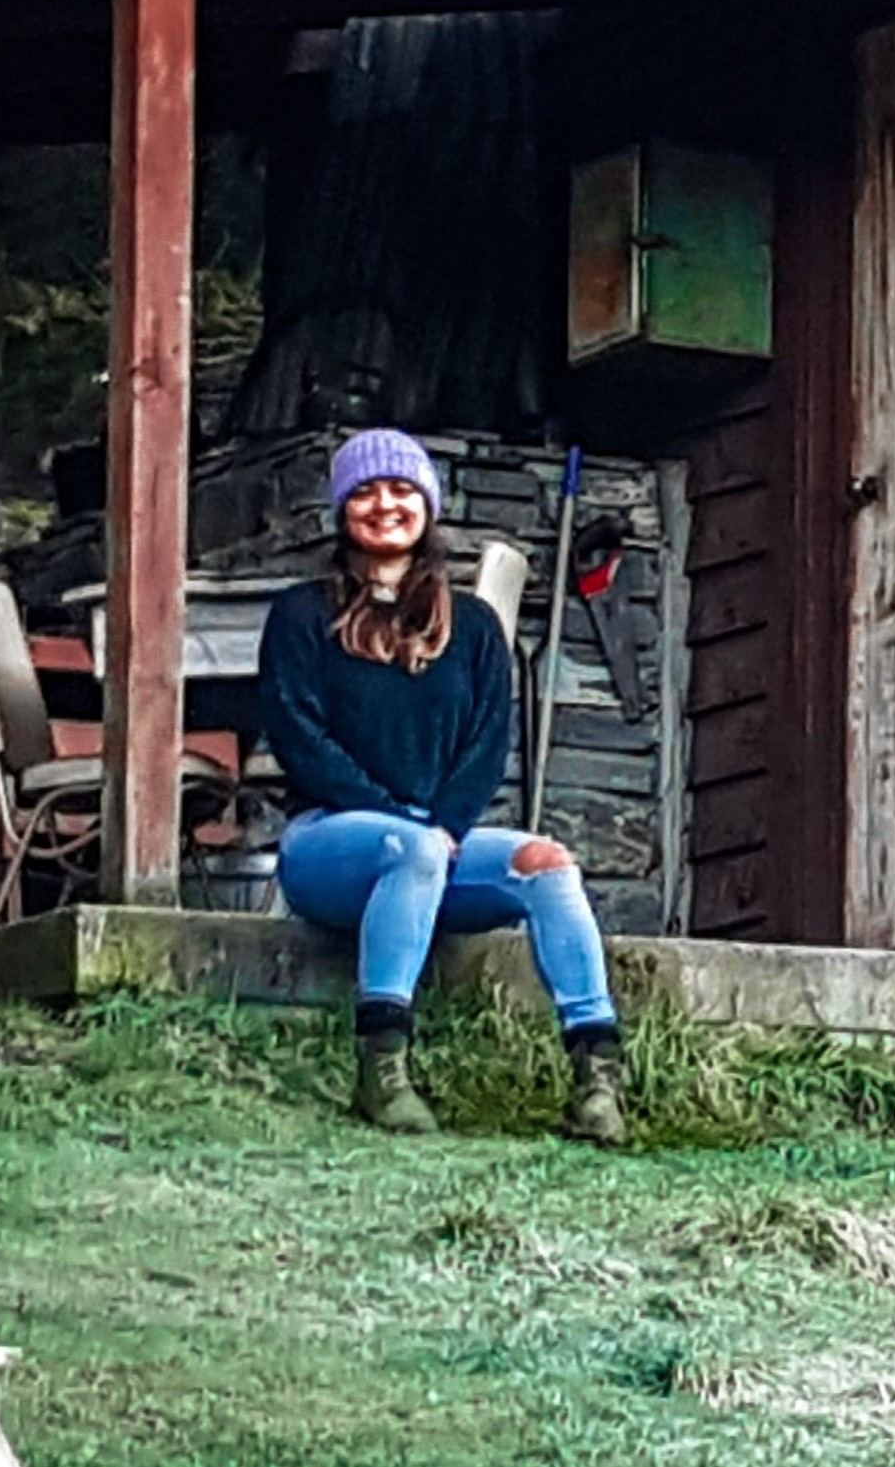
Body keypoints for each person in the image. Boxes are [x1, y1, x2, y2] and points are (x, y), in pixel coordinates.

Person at [258, 428, 625, 1143]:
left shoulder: (478, 626)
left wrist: (448, 826)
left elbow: (486, 746)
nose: (384, 504)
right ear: (342, 510)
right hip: (330, 843)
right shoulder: (300, 615)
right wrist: (408, 820)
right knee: (413, 847)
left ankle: (597, 1075)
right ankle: (382, 1069)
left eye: (401, 489)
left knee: (546, 864)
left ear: (428, 503)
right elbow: (300, 740)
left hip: (439, 841)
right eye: (365, 491)